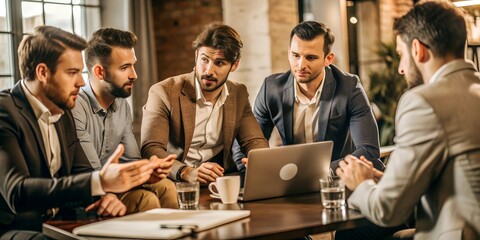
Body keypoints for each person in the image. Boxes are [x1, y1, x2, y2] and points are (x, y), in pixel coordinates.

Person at [336, 1, 480, 239]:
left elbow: (387, 210)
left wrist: (360, 183)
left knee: (351, 235)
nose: (401, 69)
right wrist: (386, 179)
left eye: (401, 55)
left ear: (418, 50)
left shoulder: (423, 102)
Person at [0, 26, 155, 239]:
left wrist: (103, 196)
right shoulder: (4, 111)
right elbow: (18, 192)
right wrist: (99, 182)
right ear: (42, 72)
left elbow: (81, 171)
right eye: (72, 73)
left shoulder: (63, 109)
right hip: (16, 228)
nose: (81, 82)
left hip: (62, 220)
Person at [241, 21, 381, 171]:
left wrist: (317, 171)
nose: (301, 65)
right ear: (289, 52)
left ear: (328, 59)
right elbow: (249, 141)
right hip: (289, 180)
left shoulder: (349, 87)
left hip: (335, 179)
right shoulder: (271, 88)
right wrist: (257, 164)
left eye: (311, 58)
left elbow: (369, 150)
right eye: (295, 55)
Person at [141, 23, 269, 184]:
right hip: (175, 181)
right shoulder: (163, 92)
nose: (209, 70)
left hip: (219, 180)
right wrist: (186, 172)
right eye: (204, 60)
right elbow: (151, 148)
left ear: (234, 65)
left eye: (219, 63)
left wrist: (259, 160)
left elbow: (253, 140)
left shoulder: (238, 93)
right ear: (196, 56)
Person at [72, 28, 179, 214]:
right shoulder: (76, 107)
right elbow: (92, 173)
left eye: (133, 65)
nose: (134, 75)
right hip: (87, 193)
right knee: (146, 200)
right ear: (99, 71)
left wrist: (149, 170)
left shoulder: (122, 105)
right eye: (124, 68)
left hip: (115, 185)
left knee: (166, 186)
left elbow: (132, 160)